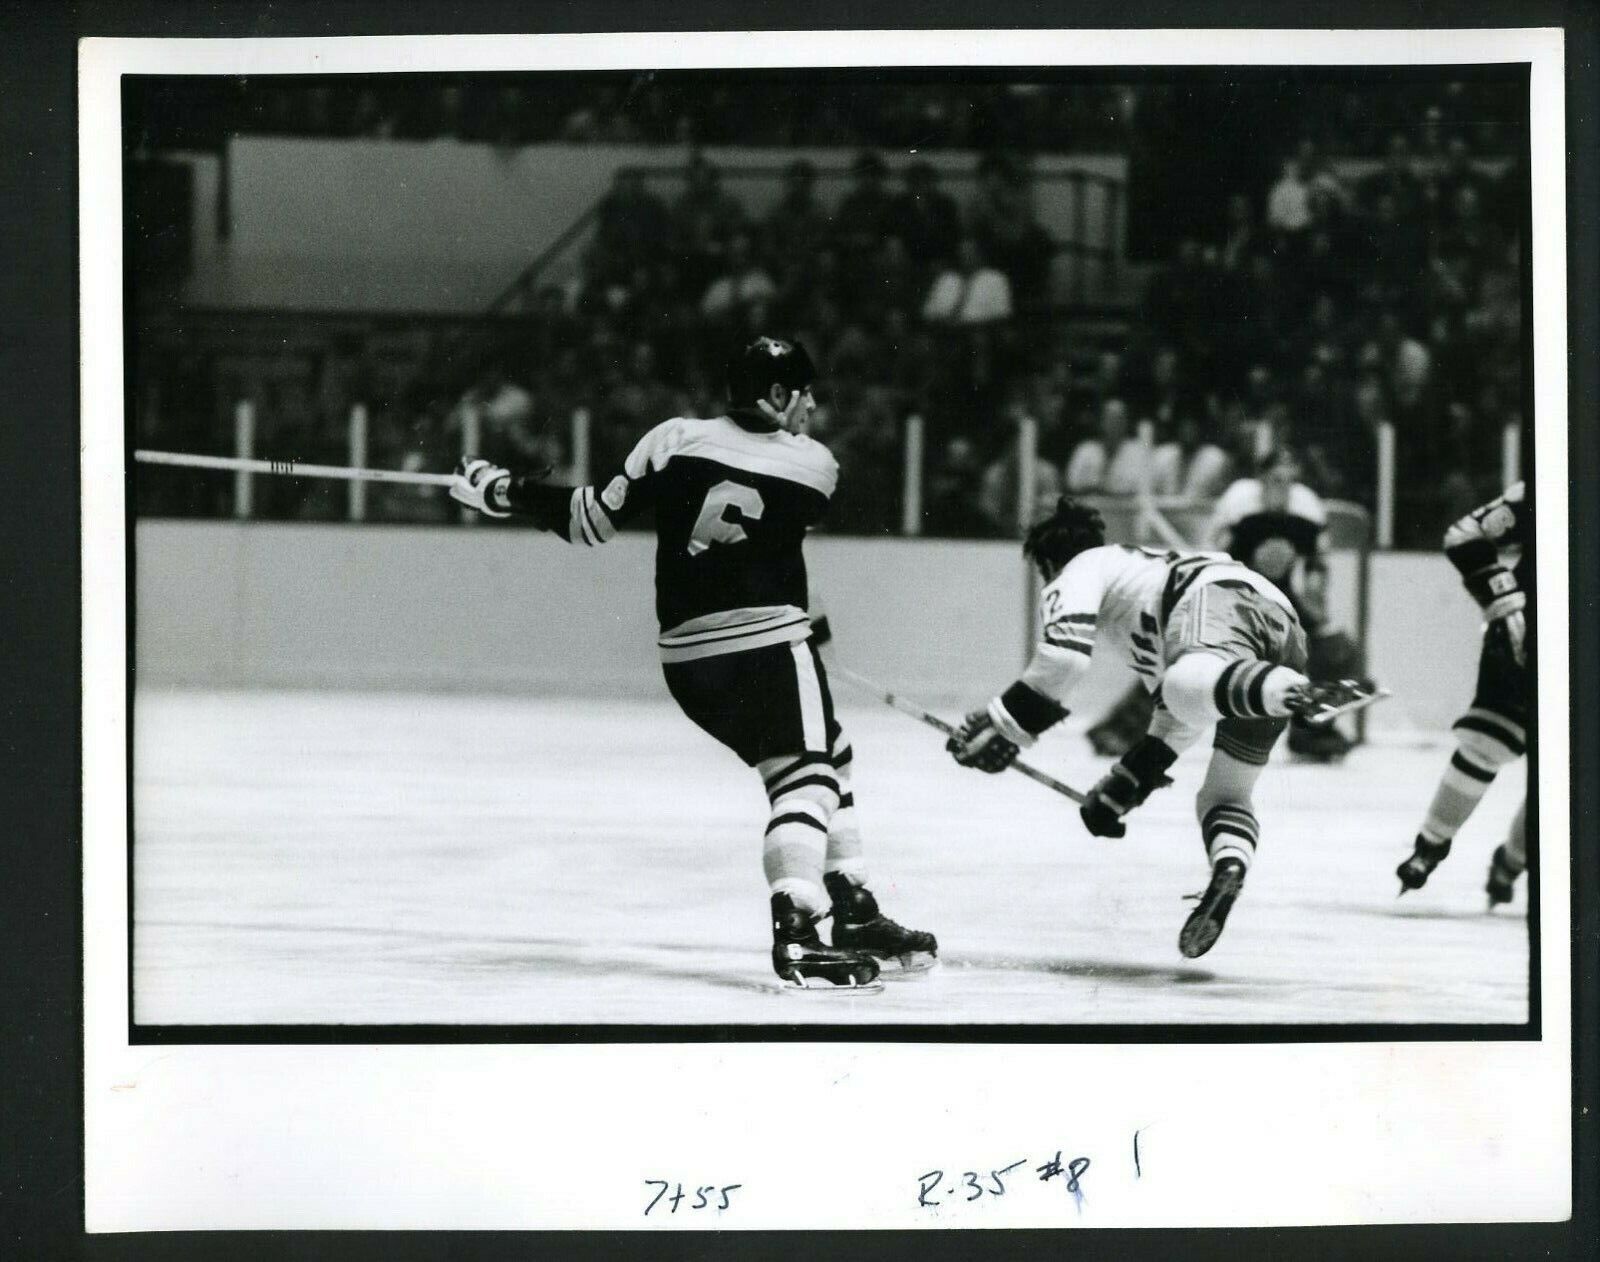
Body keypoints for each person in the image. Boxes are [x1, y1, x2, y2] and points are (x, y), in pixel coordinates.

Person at [449, 337, 936, 988]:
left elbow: (590, 520)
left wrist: (503, 491)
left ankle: (852, 905)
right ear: (775, 396)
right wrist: (812, 636)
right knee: (807, 778)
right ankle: (798, 927)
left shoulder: (674, 438)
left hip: (689, 660)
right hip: (767, 642)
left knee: (830, 755)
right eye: (804, 391)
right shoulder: (815, 466)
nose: (814, 404)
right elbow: (777, 545)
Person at [944, 498, 1379, 958]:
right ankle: (1228, 869)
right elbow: (1187, 711)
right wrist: (1127, 784)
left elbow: (1064, 657)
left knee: (1181, 683)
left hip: (1220, 603)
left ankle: (1295, 693)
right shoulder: (1135, 589)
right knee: (1223, 795)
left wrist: (1003, 724)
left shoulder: (1080, 568)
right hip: (1276, 620)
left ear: (1050, 562)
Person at [1396, 481, 1530, 906]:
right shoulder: (1561, 478)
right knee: (1489, 742)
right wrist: (1506, 600)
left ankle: (1511, 861)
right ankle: (1431, 844)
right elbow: (1465, 536)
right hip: (1530, 634)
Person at [1207, 447, 1368, 761]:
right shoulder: (1239, 503)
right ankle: (1131, 728)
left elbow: (1317, 566)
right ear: (1260, 479)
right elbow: (1214, 557)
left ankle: (1310, 733)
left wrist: (1317, 605)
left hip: (1283, 602)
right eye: (1274, 480)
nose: (1281, 489)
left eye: (1287, 481)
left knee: (1338, 651)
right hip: (1235, 600)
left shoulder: (1306, 506)